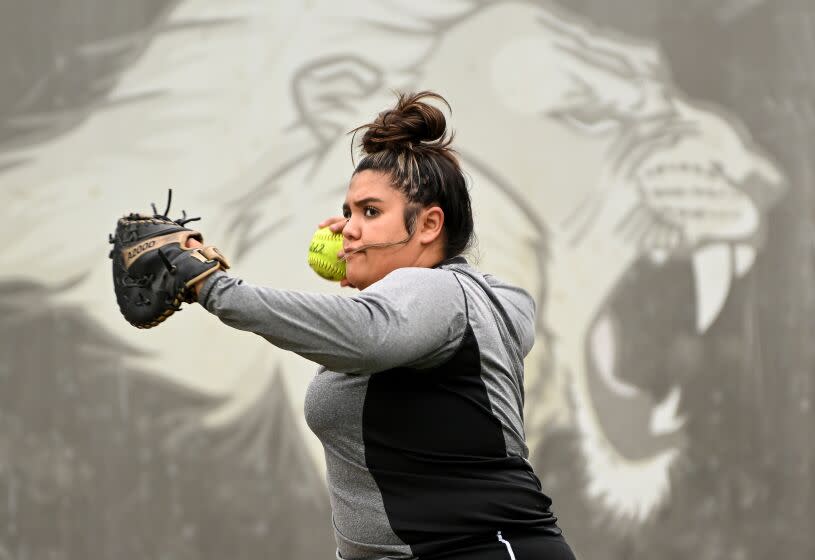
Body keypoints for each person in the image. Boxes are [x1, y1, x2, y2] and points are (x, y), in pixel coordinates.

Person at [188, 91, 575, 560]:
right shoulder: (449, 303)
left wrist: (208, 286)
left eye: (371, 212)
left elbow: (368, 335)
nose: (348, 229)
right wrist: (381, 279)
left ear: (430, 225)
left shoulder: (442, 293)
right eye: (349, 212)